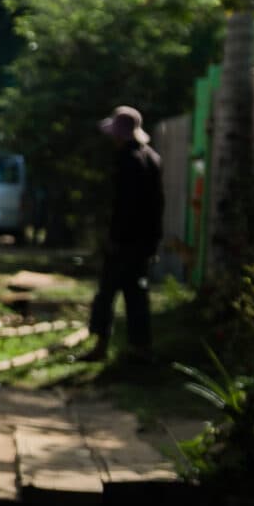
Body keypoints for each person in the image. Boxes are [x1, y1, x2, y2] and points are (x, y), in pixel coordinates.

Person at [90, 104, 165, 360]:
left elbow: (124, 206)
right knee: (137, 294)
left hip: (124, 240)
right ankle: (141, 348)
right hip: (144, 242)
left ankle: (101, 346)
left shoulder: (127, 160)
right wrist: (153, 241)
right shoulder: (152, 158)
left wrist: (114, 237)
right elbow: (158, 205)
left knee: (107, 293)